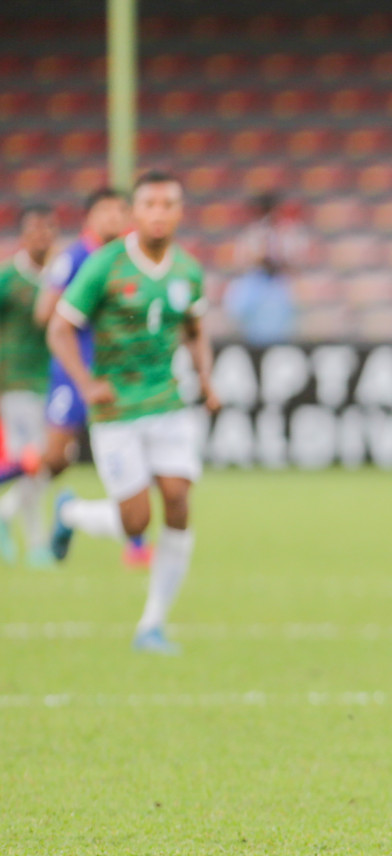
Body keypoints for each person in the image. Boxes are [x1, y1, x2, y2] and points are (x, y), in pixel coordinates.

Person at [47, 170, 221, 654]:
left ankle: (153, 623)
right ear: (135, 213)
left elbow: (195, 328)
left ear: (180, 212)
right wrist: (85, 382)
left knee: (179, 500)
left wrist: (205, 379)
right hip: (117, 409)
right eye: (150, 204)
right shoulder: (106, 265)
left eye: (169, 204)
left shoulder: (187, 269)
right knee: (136, 521)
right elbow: (59, 328)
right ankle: (73, 514)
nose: (160, 213)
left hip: (168, 402)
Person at [32, 188, 149, 568]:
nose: (114, 218)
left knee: (135, 455)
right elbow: (46, 314)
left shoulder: (133, 258)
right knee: (55, 457)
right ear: (90, 217)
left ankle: (135, 544)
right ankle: (10, 503)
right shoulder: (77, 257)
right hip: (74, 373)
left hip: (116, 374)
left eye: (121, 210)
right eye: (106, 211)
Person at [0, 204, 57, 566]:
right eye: (34, 229)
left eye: (46, 228)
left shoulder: (57, 277)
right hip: (16, 381)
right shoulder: (9, 279)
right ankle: (37, 542)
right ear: (23, 235)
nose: (41, 235)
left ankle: (6, 517)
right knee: (36, 462)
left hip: (50, 381)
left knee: (40, 464)